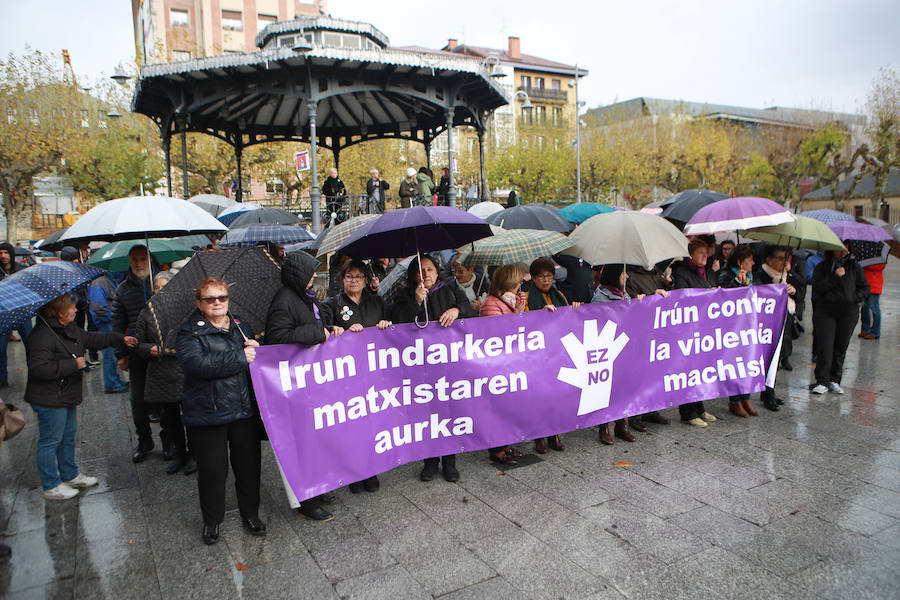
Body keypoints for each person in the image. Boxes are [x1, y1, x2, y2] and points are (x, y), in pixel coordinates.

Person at [176, 277, 265, 544]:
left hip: (242, 410)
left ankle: (251, 514)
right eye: (210, 299)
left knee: (249, 468)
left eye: (222, 297)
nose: (217, 303)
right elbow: (197, 365)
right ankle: (212, 521)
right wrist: (241, 357)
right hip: (208, 413)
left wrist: (256, 351)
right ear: (199, 303)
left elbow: (253, 363)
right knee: (213, 471)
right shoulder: (188, 332)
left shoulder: (240, 326)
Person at [26, 294, 137, 500]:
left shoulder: (67, 328)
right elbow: (38, 369)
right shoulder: (41, 336)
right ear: (60, 314)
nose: (76, 311)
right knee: (50, 441)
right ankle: (51, 485)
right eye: (72, 308)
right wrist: (73, 365)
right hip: (49, 398)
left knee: (67, 437)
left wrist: (119, 338)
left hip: (65, 394)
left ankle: (70, 474)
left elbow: (92, 338)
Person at [265, 252, 340, 521]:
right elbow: (277, 338)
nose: (313, 277)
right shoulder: (283, 301)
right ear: (298, 274)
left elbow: (314, 325)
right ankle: (308, 501)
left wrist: (329, 328)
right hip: (297, 384)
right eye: (310, 272)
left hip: (311, 380)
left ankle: (319, 489)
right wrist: (318, 334)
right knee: (304, 443)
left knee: (318, 440)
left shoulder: (303, 297)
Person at [391, 256, 475, 481]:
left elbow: (470, 311)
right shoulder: (405, 296)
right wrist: (416, 303)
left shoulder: (449, 290)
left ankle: (450, 462)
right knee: (427, 416)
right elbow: (398, 322)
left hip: (448, 367)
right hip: (419, 368)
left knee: (449, 413)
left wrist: (457, 309)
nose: (426, 274)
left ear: (437, 273)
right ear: (413, 275)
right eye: (420, 270)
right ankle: (430, 461)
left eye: (430, 269)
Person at [322, 259, 392, 493]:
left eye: (358, 276)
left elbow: (392, 329)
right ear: (342, 280)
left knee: (372, 423)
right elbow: (323, 332)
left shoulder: (377, 302)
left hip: (372, 373)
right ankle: (353, 472)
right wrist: (335, 330)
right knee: (351, 426)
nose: (354, 280)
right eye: (349, 276)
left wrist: (385, 323)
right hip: (347, 377)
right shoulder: (331, 305)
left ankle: (370, 469)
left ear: (366, 280)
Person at [591, 264, 666, 443]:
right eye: (623, 274)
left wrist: (640, 301)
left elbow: (633, 315)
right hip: (609, 348)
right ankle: (604, 428)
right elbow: (599, 321)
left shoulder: (624, 294)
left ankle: (621, 425)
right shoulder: (601, 297)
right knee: (608, 390)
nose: (626, 277)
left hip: (625, 347)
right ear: (614, 276)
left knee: (624, 388)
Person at [134, 272, 196, 475]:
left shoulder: (185, 309)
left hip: (183, 370)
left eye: (164, 287)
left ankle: (194, 455)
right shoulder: (147, 312)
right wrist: (148, 349)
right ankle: (180, 453)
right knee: (170, 418)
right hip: (161, 373)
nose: (161, 291)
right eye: (157, 288)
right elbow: (138, 342)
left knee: (190, 415)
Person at [522, 257, 581, 453]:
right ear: (533, 278)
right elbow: (523, 322)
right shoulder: (526, 295)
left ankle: (555, 433)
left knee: (557, 395)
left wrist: (574, 310)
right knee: (539, 396)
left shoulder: (560, 295)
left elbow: (569, 321)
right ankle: (539, 436)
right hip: (537, 356)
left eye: (548, 276)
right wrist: (540, 313)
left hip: (557, 353)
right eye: (541, 276)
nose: (545, 280)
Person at [111, 245, 157, 462]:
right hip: (135, 352)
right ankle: (145, 440)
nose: (139, 264)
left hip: (159, 351)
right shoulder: (122, 290)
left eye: (142, 258)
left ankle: (170, 443)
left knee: (166, 401)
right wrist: (121, 354)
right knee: (138, 401)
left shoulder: (161, 283)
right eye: (134, 259)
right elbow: (117, 323)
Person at [478, 264, 528, 465]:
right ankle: (497, 448)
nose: (520, 285)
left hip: (513, 362)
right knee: (499, 407)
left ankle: (507, 443)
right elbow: (497, 336)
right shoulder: (491, 303)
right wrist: (516, 316)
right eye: (518, 281)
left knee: (511, 407)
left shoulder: (512, 300)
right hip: (497, 365)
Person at [671, 238, 718, 427]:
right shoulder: (682, 272)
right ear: (691, 254)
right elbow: (683, 296)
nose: (705, 256)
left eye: (706, 252)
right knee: (689, 369)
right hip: (689, 328)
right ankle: (688, 412)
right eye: (700, 252)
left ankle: (700, 407)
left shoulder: (709, 272)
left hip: (705, 327)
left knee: (701, 368)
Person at [810, 248, 868, 395]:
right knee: (825, 346)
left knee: (840, 347)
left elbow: (864, 288)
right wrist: (835, 276)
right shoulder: (823, 266)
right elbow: (817, 287)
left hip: (848, 313)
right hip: (826, 312)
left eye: (846, 248)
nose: (843, 251)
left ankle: (834, 379)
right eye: (840, 248)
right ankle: (821, 380)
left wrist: (854, 298)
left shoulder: (855, 267)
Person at [717, 245, 760, 417]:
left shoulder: (750, 276)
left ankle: (745, 397)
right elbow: (723, 295)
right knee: (735, 363)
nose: (753, 263)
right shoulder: (726, 274)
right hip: (732, 328)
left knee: (747, 361)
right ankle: (734, 400)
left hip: (747, 326)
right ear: (740, 262)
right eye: (749, 260)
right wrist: (736, 281)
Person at [754, 246, 795, 410]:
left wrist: (792, 289)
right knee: (768, 358)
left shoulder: (786, 275)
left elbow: (800, 286)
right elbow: (758, 292)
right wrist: (774, 289)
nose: (782, 262)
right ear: (769, 260)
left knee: (777, 358)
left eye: (785, 258)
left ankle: (769, 391)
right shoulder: (762, 274)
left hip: (785, 317)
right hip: (767, 323)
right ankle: (767, 394)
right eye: (779, 258)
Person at [89, 271, 129, 393]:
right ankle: (111, 383)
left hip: (110, 322)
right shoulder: (100, 281)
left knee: (112, 354)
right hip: (107, 324)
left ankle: (114, 380)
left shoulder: (111, 279)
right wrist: (111, 318)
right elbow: (97, 306)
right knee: (109, 354)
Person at [0, 242, 32, 389]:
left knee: (31, 345)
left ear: (11, 254)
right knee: (1, 348)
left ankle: (35, 373)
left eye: (6, 253)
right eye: (0, 253)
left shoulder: (21, 270)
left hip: (21, 312)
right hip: (3, 315)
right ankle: (2, 378)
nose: (3, 256)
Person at [860, 263, 884, 339]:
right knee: (864, 309)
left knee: (874, 309)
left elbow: (880, 266)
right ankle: (865, 329)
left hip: (874, 285)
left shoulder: (878, 259)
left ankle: (875, 332)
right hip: (865, 284)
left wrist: (866, 265)